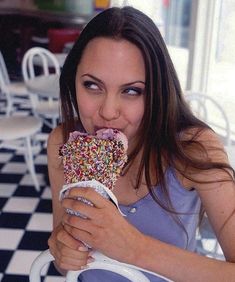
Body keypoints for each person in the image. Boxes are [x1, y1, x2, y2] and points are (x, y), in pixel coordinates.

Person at [47, 6, 235, 282]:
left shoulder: (193, 148)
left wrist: (135, 248)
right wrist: (64, 251)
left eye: (132, 91)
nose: (109, 111)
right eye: (92, 85)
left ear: (157, 92)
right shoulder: (63, 144)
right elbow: (67, 265)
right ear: (73, 81)